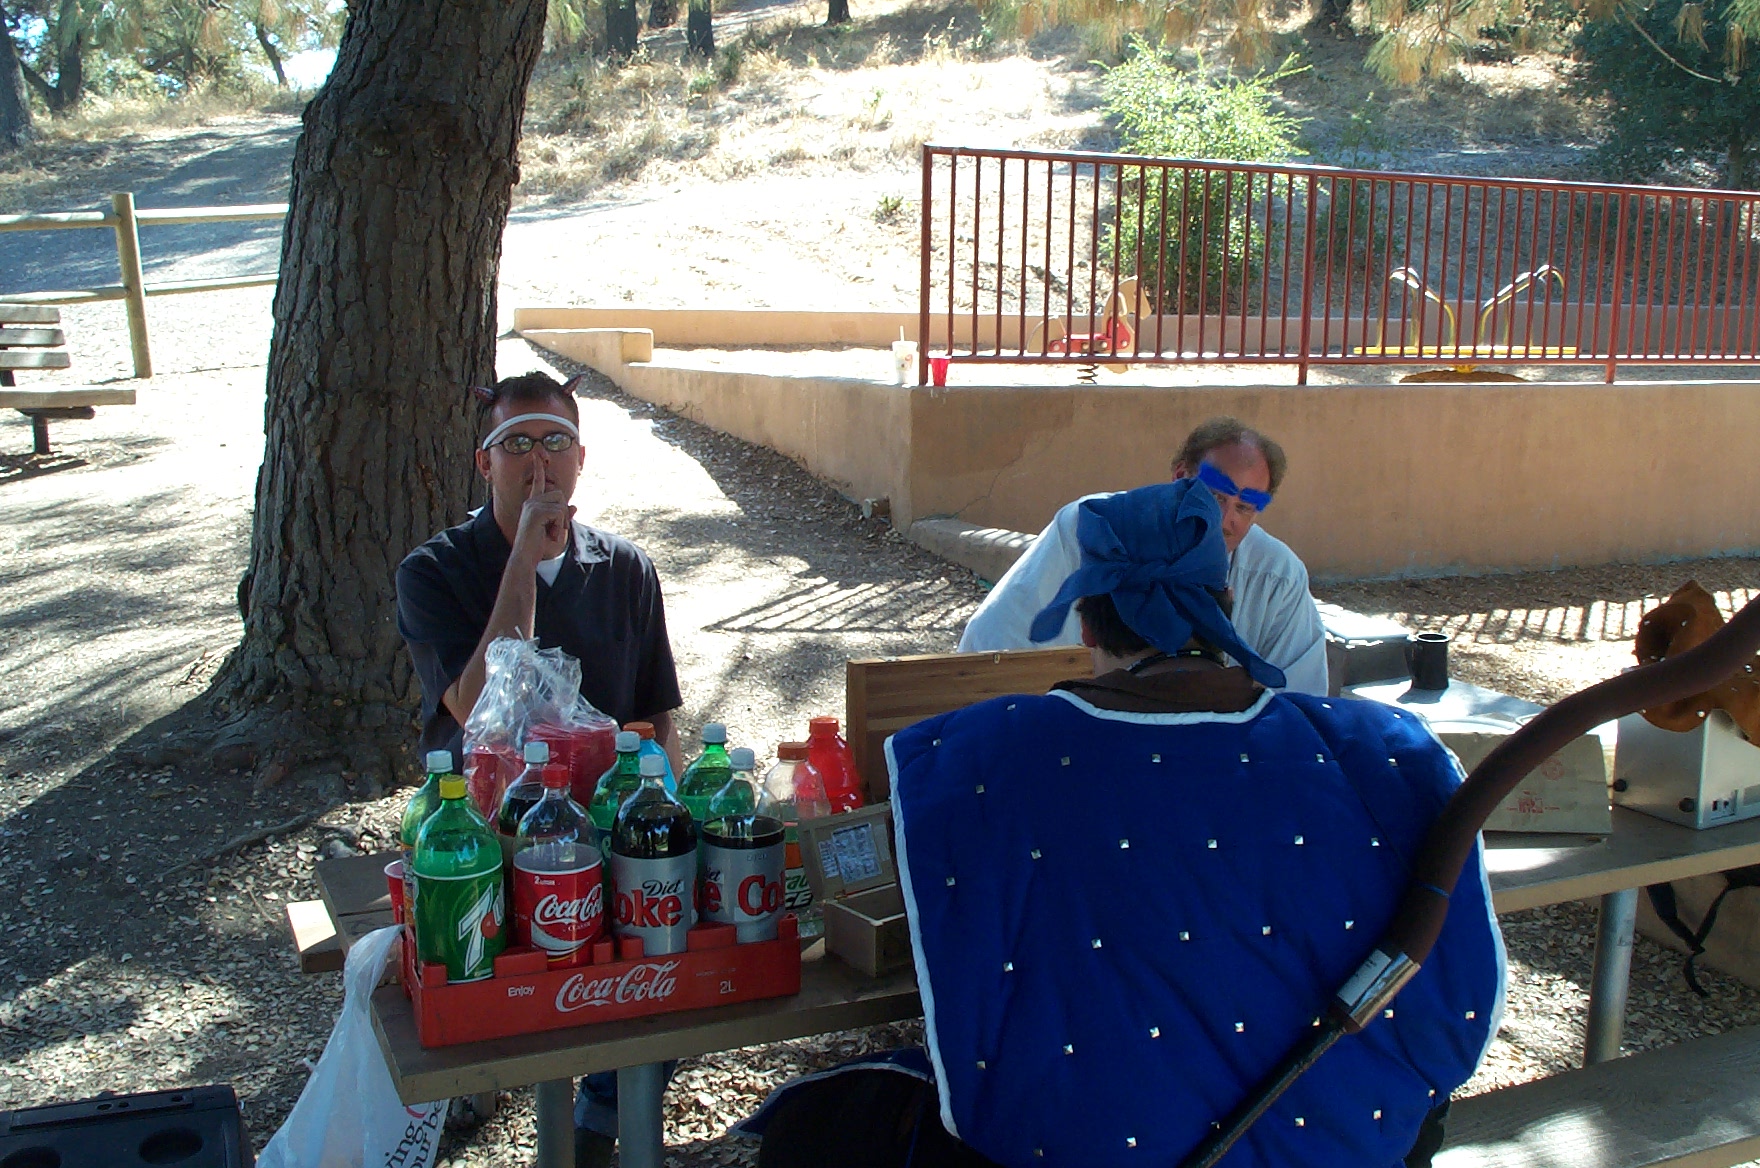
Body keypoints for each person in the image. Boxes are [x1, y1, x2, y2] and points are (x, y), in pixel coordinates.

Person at [750, 481, 1504, 1168]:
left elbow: (977, 1018)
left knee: (812, 1130)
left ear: (1086, 620)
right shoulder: (1387, 750)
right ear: (1224, 603)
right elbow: (1455, 1019)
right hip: (1351, 1149)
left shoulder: (968, 757)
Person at [395, 369, 684, 1166]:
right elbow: (475, 706)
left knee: (673, 953)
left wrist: (665, 798)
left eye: (555, 441)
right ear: (483, 462)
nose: (538, 460)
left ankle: (598, 1120)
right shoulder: (433, 571)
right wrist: (522, 555)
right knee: (499, 996)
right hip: (483, 836)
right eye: (515, 443)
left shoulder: (625, 569)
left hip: (605, 826)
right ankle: (487, 1080)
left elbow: (658, 716)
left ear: (581, 459)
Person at [956, 416, 1329, 696]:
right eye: (1214, 496)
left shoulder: (1277, 576)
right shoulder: (1093, 530)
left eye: (1245, 507)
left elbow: (1300, 702)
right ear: (1179, 476)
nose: (1223, 520)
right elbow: (991, 648)